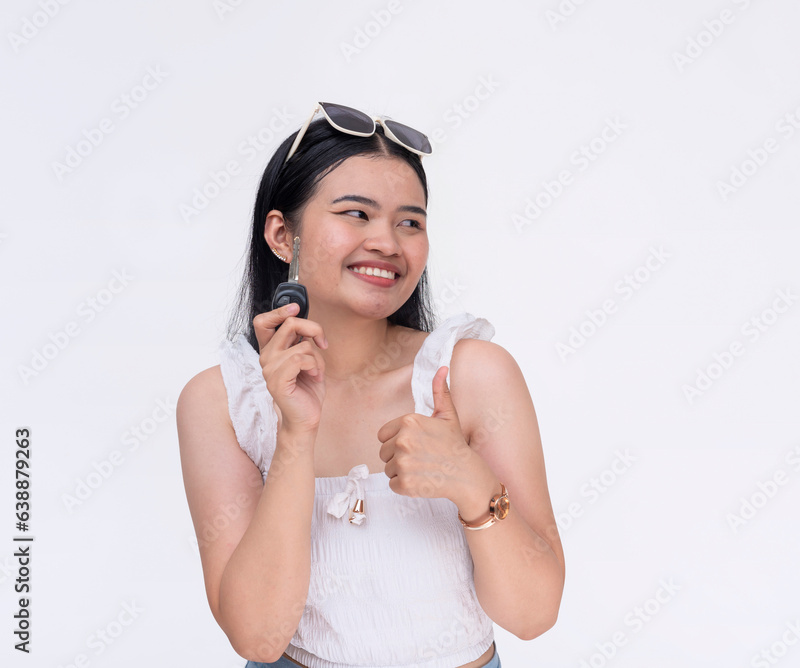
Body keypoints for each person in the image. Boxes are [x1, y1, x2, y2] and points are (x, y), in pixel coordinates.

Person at [177, 102, 566, 668]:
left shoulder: (471, 375)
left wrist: (468, 481)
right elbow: (257, 637)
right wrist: (294, 435)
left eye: (410, 221)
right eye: (356, 214)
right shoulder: (221, 401)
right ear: (283, 235)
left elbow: (533, 616)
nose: (388, 241)